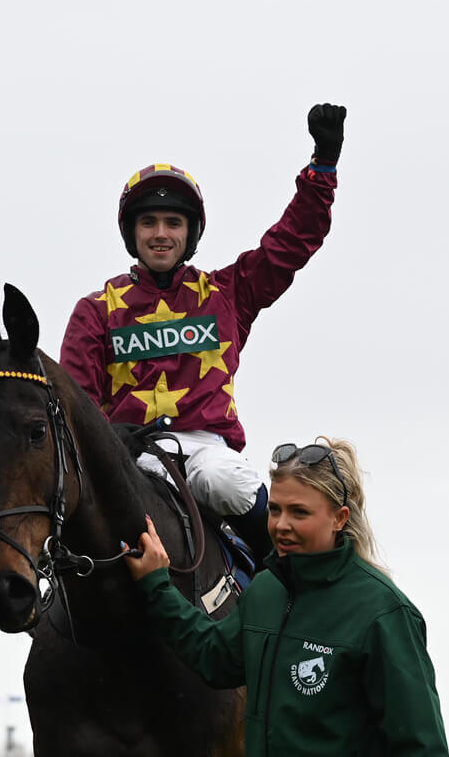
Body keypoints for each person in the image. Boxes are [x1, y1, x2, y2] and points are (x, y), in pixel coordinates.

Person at [60, 104, 347, 564]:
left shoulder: (226, 293)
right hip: (130, 456)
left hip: (209, 452)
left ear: (190, 233)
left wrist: (323, 166)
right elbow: (78, 405)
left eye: (173, 223)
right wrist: (111, 439)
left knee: (222, 481)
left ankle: (289, 579)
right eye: (148, 223)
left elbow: (291, 243)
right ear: (132, 232)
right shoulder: (95, 311)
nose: (160, 234)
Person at [124, 437, 449, 757]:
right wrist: (157, 585)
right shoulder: (266, 590)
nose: (281, 525)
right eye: (275, 510)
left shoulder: (384, 612)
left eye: (299, 513)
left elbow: (422, 746)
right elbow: (214, 657)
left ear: (340, 518)